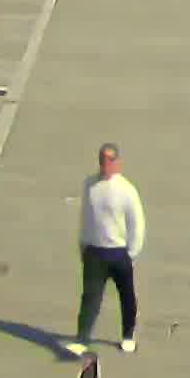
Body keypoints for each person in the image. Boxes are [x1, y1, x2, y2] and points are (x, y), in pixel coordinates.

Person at [70, 144, 145, 356]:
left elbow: (137, 223)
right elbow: (86, 216)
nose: (106, 164)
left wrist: (132, 253)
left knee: (127, 297)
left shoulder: (127, 190)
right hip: (95, 251)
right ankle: (83, 338)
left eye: (111, 160)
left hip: (119, 252)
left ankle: (128, 336)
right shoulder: (90, 185)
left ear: (118, 162)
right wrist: (83, 244)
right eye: (103, 160)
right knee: (90, 297)